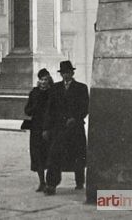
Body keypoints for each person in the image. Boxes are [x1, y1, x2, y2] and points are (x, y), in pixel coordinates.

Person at [42, 61, 89, 195]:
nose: (66, 75)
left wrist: (75, 118)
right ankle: (51, 185)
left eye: (68, 72)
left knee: (78, 156)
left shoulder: (81, 88)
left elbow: (85, 107)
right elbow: (49, 110)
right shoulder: (55, 88)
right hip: (59, 129)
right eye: (63, 73)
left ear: (72, 73)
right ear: (61, 74)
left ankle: (79, 181)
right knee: (54, 155)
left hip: (76, 128)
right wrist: (46, 128)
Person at [24, 68, 53, 192]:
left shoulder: (53, 92)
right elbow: (27, 110)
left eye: (45, 79)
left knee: (50, 154)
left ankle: (50, 182)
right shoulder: (34, 93)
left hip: (49, 127)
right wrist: (34, 107)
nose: (43, 82)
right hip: (36, 127)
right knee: (38, 155)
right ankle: (42, 182)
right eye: (41, 79)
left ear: (49, 80)